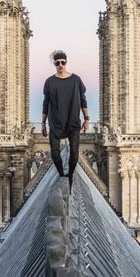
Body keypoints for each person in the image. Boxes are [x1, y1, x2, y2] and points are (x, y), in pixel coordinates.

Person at [41, 50, 89, 190]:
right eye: (57, 63)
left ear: (66, 62)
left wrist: (86, 119)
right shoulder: (49, 82)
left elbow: (83, 100)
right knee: (55, 153)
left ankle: (70, 176)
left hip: (73, 122)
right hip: (55, 123)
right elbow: (45, 103)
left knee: (74, 154)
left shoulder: (76, 80)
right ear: (54, 64)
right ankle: (62, 175)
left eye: (63, 62)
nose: (60, 65)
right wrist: (43, 124)